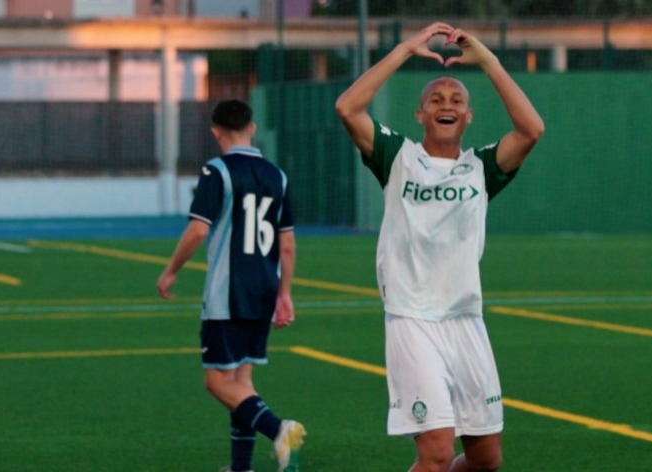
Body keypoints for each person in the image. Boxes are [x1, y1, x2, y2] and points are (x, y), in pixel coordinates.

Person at [334, 22, 544, 472]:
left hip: (466, 319)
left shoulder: (480, 169)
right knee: (435, 454)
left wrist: (487, 61)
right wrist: (406, 49)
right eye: (435, 100)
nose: (446, 105)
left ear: (468, 117)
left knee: (486, 459)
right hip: (413, 320)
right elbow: (348, 107)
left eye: (456, 101)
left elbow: (531, 129)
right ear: (420, 115)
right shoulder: (398, 159)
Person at [157, 99, 306, 472]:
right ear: (252, 128)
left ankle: (278, 429)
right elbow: (287, 244)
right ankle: (241, 468)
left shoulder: (217, 171)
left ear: (215, 132)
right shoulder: (278, 175)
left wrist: (172, 270)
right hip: (263, 290)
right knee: (240, 381)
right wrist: (284, 293)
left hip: (228, 291)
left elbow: (197, 229)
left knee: (217, 382)